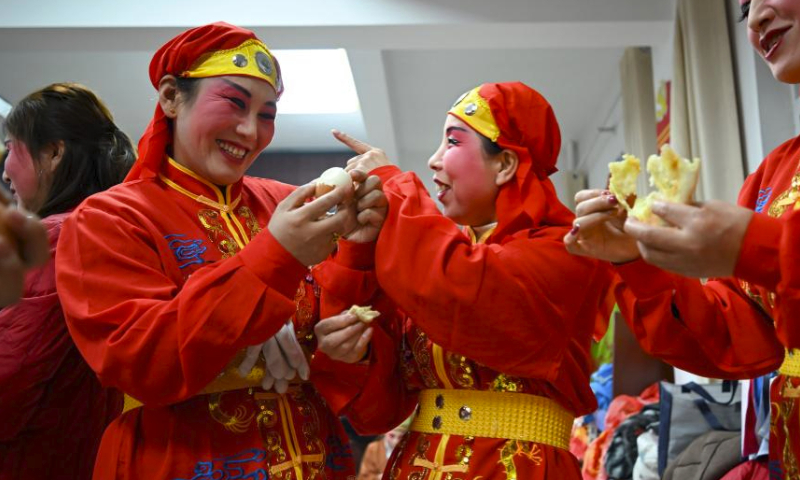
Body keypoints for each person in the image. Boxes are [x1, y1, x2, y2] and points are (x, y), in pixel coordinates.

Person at [55, 23, 387, 479]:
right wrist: (276, 256)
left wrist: (357, 254)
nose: (250, 131)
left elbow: (349, 366)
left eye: (267, 114)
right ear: (171, 97)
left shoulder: (286, 203)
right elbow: (143, 362)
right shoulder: (108, 219)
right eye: (234, 103)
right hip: (180, 460)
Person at [312, 82, 615, 479]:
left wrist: (393, 183)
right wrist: (354, 343)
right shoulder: (433, 259)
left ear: (505, 164)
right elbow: (381, 411)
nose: (434, 161)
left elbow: (467, 288)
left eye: (452, 143)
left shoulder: (567, 249)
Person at [565, 0, 800, 475]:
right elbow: (738, 339)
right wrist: (637, 260)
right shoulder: (776, 174)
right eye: (744, 9)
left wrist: (757, 248)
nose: (754, 20)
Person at [0, 82, 136, 479]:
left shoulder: (59, 237)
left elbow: (9, 374)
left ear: (54, 152)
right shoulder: (104, 230)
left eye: (11, 147)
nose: (5, 167)